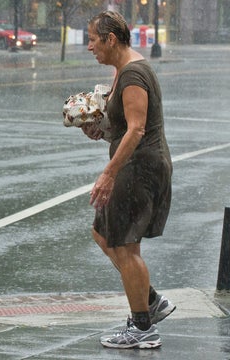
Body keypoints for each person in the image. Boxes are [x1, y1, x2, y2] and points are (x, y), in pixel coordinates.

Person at [83, 11, 176, 349]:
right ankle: (149, 300)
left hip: (139, 168)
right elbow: (124, 126)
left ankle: (143, 327)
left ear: (111, 39)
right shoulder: (122, 71)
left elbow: (137, 128)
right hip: (135, 165)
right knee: (103, 234)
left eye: (94, 39)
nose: (90, 46)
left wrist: (108, 173)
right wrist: (99, 128)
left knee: (125, 245)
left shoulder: (134, 73)